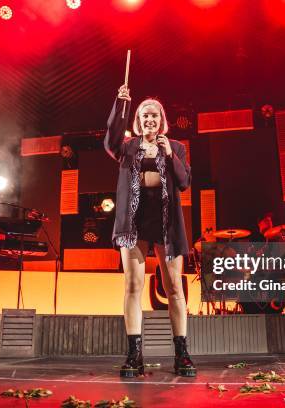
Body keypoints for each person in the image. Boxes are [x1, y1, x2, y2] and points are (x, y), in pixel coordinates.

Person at [104, 84, 196, 377]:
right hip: (134, 223)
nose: (149, 120)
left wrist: (170, 155)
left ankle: (182, 355)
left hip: (166, 223)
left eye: (154, 115)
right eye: (144, 116)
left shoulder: (176, 146)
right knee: (133, 286)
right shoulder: (128, 147)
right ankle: (134, 355)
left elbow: (184, 182)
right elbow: (111, 138)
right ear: (138, 120)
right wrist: (122, 105)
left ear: (162, 120)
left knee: (174, 290)